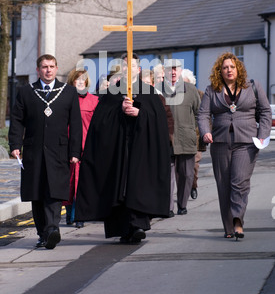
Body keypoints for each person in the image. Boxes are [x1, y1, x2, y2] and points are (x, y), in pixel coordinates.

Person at [75, 52, 171, 243]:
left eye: (133, 66)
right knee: (118, 185)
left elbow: (159, 122)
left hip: (141, 150)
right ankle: (122, 228)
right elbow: (100, 123)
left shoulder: (149, 93)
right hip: (117, 150)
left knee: (137, 184)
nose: (129, 69)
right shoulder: (111, 93)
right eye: (125, 66)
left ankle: (137, 225)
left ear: (139, 69)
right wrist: (118, 111)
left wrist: (139, 113)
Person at [9, 54, 83, 249]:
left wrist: (75, 151)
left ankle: (52, 230)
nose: (48, 70)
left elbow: (75, 125)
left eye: (51, 66)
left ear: (57, 69)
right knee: (37, 193)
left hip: (59, 151)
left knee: (55, 192)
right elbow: (17, 120)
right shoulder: (26, 92)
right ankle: (43, 233)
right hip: (33, 151)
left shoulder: (68, 92)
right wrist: (15, 145)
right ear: (38, 70)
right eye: (44, 67)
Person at [197, 52, 272, 240]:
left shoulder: (252, 87)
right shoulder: (211, 90)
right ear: (219, 71)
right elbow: (203, 114)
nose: (229, 70)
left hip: (246, 143)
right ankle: (228, 227)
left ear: (238, 69)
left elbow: (264, 112)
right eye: (225, 68)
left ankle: (238, 220)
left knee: (239, 182)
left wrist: (262, 135)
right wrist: (205, 131)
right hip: (220, 142)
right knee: (223, 186)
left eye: (232, 66)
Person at [159, 59, 200, 215]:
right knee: (167, 175)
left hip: (186, 138)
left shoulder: (190, 89)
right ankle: (168, 207)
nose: (173, 72)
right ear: (165, 72)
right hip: (166, 139)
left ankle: (182, 204)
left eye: (176, 69)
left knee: (186, 174)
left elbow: (199, 112)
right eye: (170, 69)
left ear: (181, 71)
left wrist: (191, 128)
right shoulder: (158, 90)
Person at [64, 69, 99, 228]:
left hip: (88, 145)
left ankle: (79, 215)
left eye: (83, 80)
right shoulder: (67, 100)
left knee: (82, 181)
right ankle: (70, 211)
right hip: (68, 145)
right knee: (69, 181)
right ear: (72, 82)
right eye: (77, 79)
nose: (80, 82)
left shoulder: (94, 101)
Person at [140, 68, 175, 216]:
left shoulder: (159, 99)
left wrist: (166, 140)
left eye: (149, 83)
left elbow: (168, 121)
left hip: (156, 143)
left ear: (153, 84)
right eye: (143, 83)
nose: (146, 86)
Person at [182, 68, 207, 200]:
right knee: (182, 169)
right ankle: (183, 191)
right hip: (180, 137)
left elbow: (205, 116)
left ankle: (193, 185)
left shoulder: (201, 95)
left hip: (196, 137)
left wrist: (206, 133)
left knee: (194, 166)